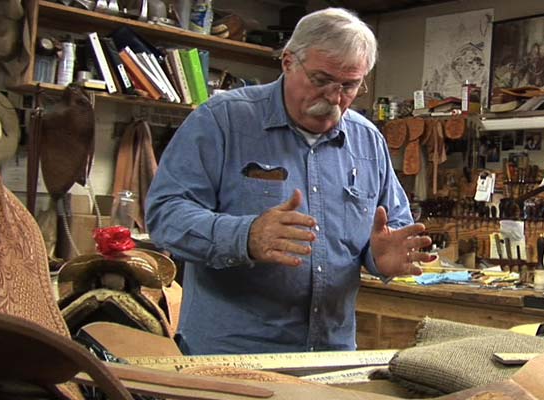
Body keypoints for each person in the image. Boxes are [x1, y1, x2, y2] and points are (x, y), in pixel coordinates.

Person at [145, 8, 432, 355]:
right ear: (288, 62)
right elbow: (165, 217)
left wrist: (381, 256)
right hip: (232, 356)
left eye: (349, 85)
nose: (334, 97)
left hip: (330, 354)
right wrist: (246, 237)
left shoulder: (368, 141)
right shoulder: (222, 121)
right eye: (321, 80)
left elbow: (392, 229)